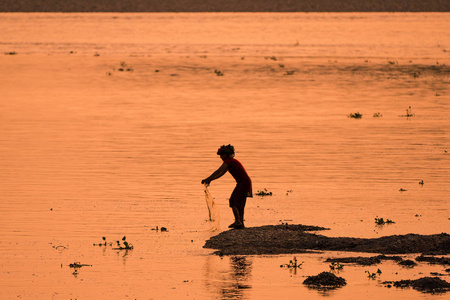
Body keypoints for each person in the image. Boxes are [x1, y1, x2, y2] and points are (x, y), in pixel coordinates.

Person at [202, 145, 252, 229]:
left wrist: (208, 179)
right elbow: (221, 173)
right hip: (245, 182)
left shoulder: (229, 162)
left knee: (233, 201)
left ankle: (238, 221)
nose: (221, 157)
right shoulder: (231, 162)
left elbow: (218, 171)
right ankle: (240, 223)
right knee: (240, 203)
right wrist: (210, 179)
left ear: (227, 154)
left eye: (222, 155)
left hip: (243, 183)